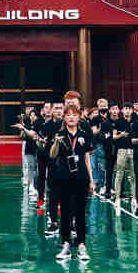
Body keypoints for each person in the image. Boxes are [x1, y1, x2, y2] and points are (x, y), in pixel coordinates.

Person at [48, 102, 94, 262]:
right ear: (64, 118)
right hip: (64, 178)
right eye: (68, 115)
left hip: (81, 177)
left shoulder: (84, 135)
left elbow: (87, 158)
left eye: (74, 115)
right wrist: (55, 142)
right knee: (66, 212)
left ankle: (81, 245)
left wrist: (92, 181)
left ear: (79, 117)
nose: (71, 117)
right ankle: (66, 244)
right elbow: (52, 155)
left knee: (80, 212)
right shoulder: (59, 134)